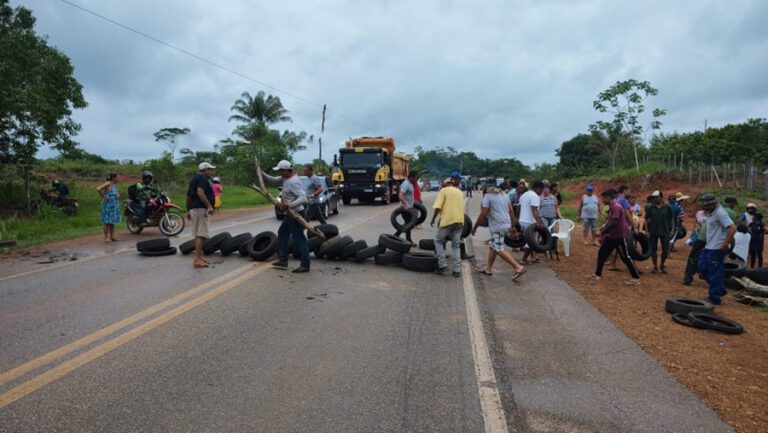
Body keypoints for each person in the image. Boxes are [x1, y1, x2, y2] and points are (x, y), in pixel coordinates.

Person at [263, 160, 310, 273]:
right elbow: (273, 180)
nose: (279, 173)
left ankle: (305, 264)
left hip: (296, 214)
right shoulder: (285, 178)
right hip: (289, 214)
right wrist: (261, 172)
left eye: (280, 171)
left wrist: (290, 205)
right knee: (282, 233)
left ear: (285, 170)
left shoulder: (294, 182)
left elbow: (303, 198)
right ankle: (283, 259)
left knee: (299, 239)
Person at [471, 186, 527, 280]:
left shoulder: (487, 196)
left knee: (498, 249)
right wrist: (512, 226)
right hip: (506, 224)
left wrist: (475, 227)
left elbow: (483, 213)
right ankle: (488, 269)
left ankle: (518, 267)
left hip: (498, 226)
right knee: (493, 246)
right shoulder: (504, 195)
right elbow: (511, 211)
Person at [588, 189, 641, 284]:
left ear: (608, 198)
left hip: (620, 236)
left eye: (603, 198)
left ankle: (636, 277)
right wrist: (603, 228)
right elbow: (610, 221)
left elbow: (615, 222)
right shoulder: (611, 207)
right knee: (602, 253)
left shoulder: (616, 207)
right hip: (611, 236)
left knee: (625, 257)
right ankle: (598, 274)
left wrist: (602, 231)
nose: (602, 200)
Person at [697, 194, 736, 305]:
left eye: (705, 205)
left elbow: (732, 228)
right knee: (702, 268)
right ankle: (720, 289)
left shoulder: (720, 212)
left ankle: (714, 297)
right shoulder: (711, 212)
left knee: (715, 272)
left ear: (711, 204)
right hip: (709, 246)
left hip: (717, 248)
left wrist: (726, 243)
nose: (703, 207)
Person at [430, 171, 465, 277]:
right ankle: (457, 270)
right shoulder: (460, 192)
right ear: (454, 181)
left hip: (448, 221)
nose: (459, 181)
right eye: (459, 179)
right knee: (456, 245)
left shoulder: (444, 191)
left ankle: (442, 266)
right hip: (459, 221)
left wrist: (433, 219)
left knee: (438, 241)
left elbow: (438, 207)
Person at [187, 162, 216, 268]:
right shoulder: (202, 178)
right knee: (201, 234)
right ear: (205, 170)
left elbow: (188, 196)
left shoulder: (193, 179)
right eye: (210, 169)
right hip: (200, 209)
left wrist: (188, 210)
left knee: (198, 234)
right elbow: (200, 192)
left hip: (194, 209)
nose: (211, 172)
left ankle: (198, 257)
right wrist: (209, 206)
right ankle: (197, 259)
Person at [644, 190, 673, 274]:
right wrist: (646, 231)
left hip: (665, 231)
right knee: (653, 249)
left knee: (665, 249)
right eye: (654, 198)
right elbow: (646, 219)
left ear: (661, 197)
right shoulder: (650, 208)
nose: (655, 199)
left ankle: (662, 265)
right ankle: (655, 266)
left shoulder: (667, 207)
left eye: (657, 197)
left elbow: (671, 218)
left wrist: (672, 229)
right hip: (653, 231)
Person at [519, 180, 545, 265]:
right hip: (529, 222)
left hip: (522, 220)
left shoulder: (524, 195)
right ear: (538, 188)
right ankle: (524, 259)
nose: (542, 192)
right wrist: (539, 222)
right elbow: (534, 210)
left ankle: (533, 257)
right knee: (531, 242)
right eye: (541, 190)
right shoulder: (535, 196)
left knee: (530, 240)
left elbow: (519, 208)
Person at [684, 205, 709, 285]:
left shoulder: (714, 215)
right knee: (694, 257)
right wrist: (693, 234)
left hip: (709, 239)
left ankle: (702, 274)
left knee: (703, 257)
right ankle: (689, 277)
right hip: (700, 237)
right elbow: (696, 224)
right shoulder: (699, 213)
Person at [96, 172, 121, 242]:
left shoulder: (114, 185)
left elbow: (115, 193)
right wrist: (104, 196)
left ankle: (112, 237)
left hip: (113, 204)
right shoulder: (108, 183)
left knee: (112, 221)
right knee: (106, 221)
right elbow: (98, 189)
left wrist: (118, 195)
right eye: (117, 177)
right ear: (114, 178)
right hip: (108, 204)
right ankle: (106, 237)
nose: (119, 178)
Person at [397, 171, 419, 246]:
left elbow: (409, 196)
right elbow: (400, 195)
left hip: (410, 208)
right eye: (416, 178)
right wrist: (405, 205)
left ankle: (396, 237)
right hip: (405, 209)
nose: (416, 180)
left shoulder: (411, 184)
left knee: (408, 224)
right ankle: (407, 240)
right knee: (409, 224)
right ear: (411, 177)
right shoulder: (406, 184)